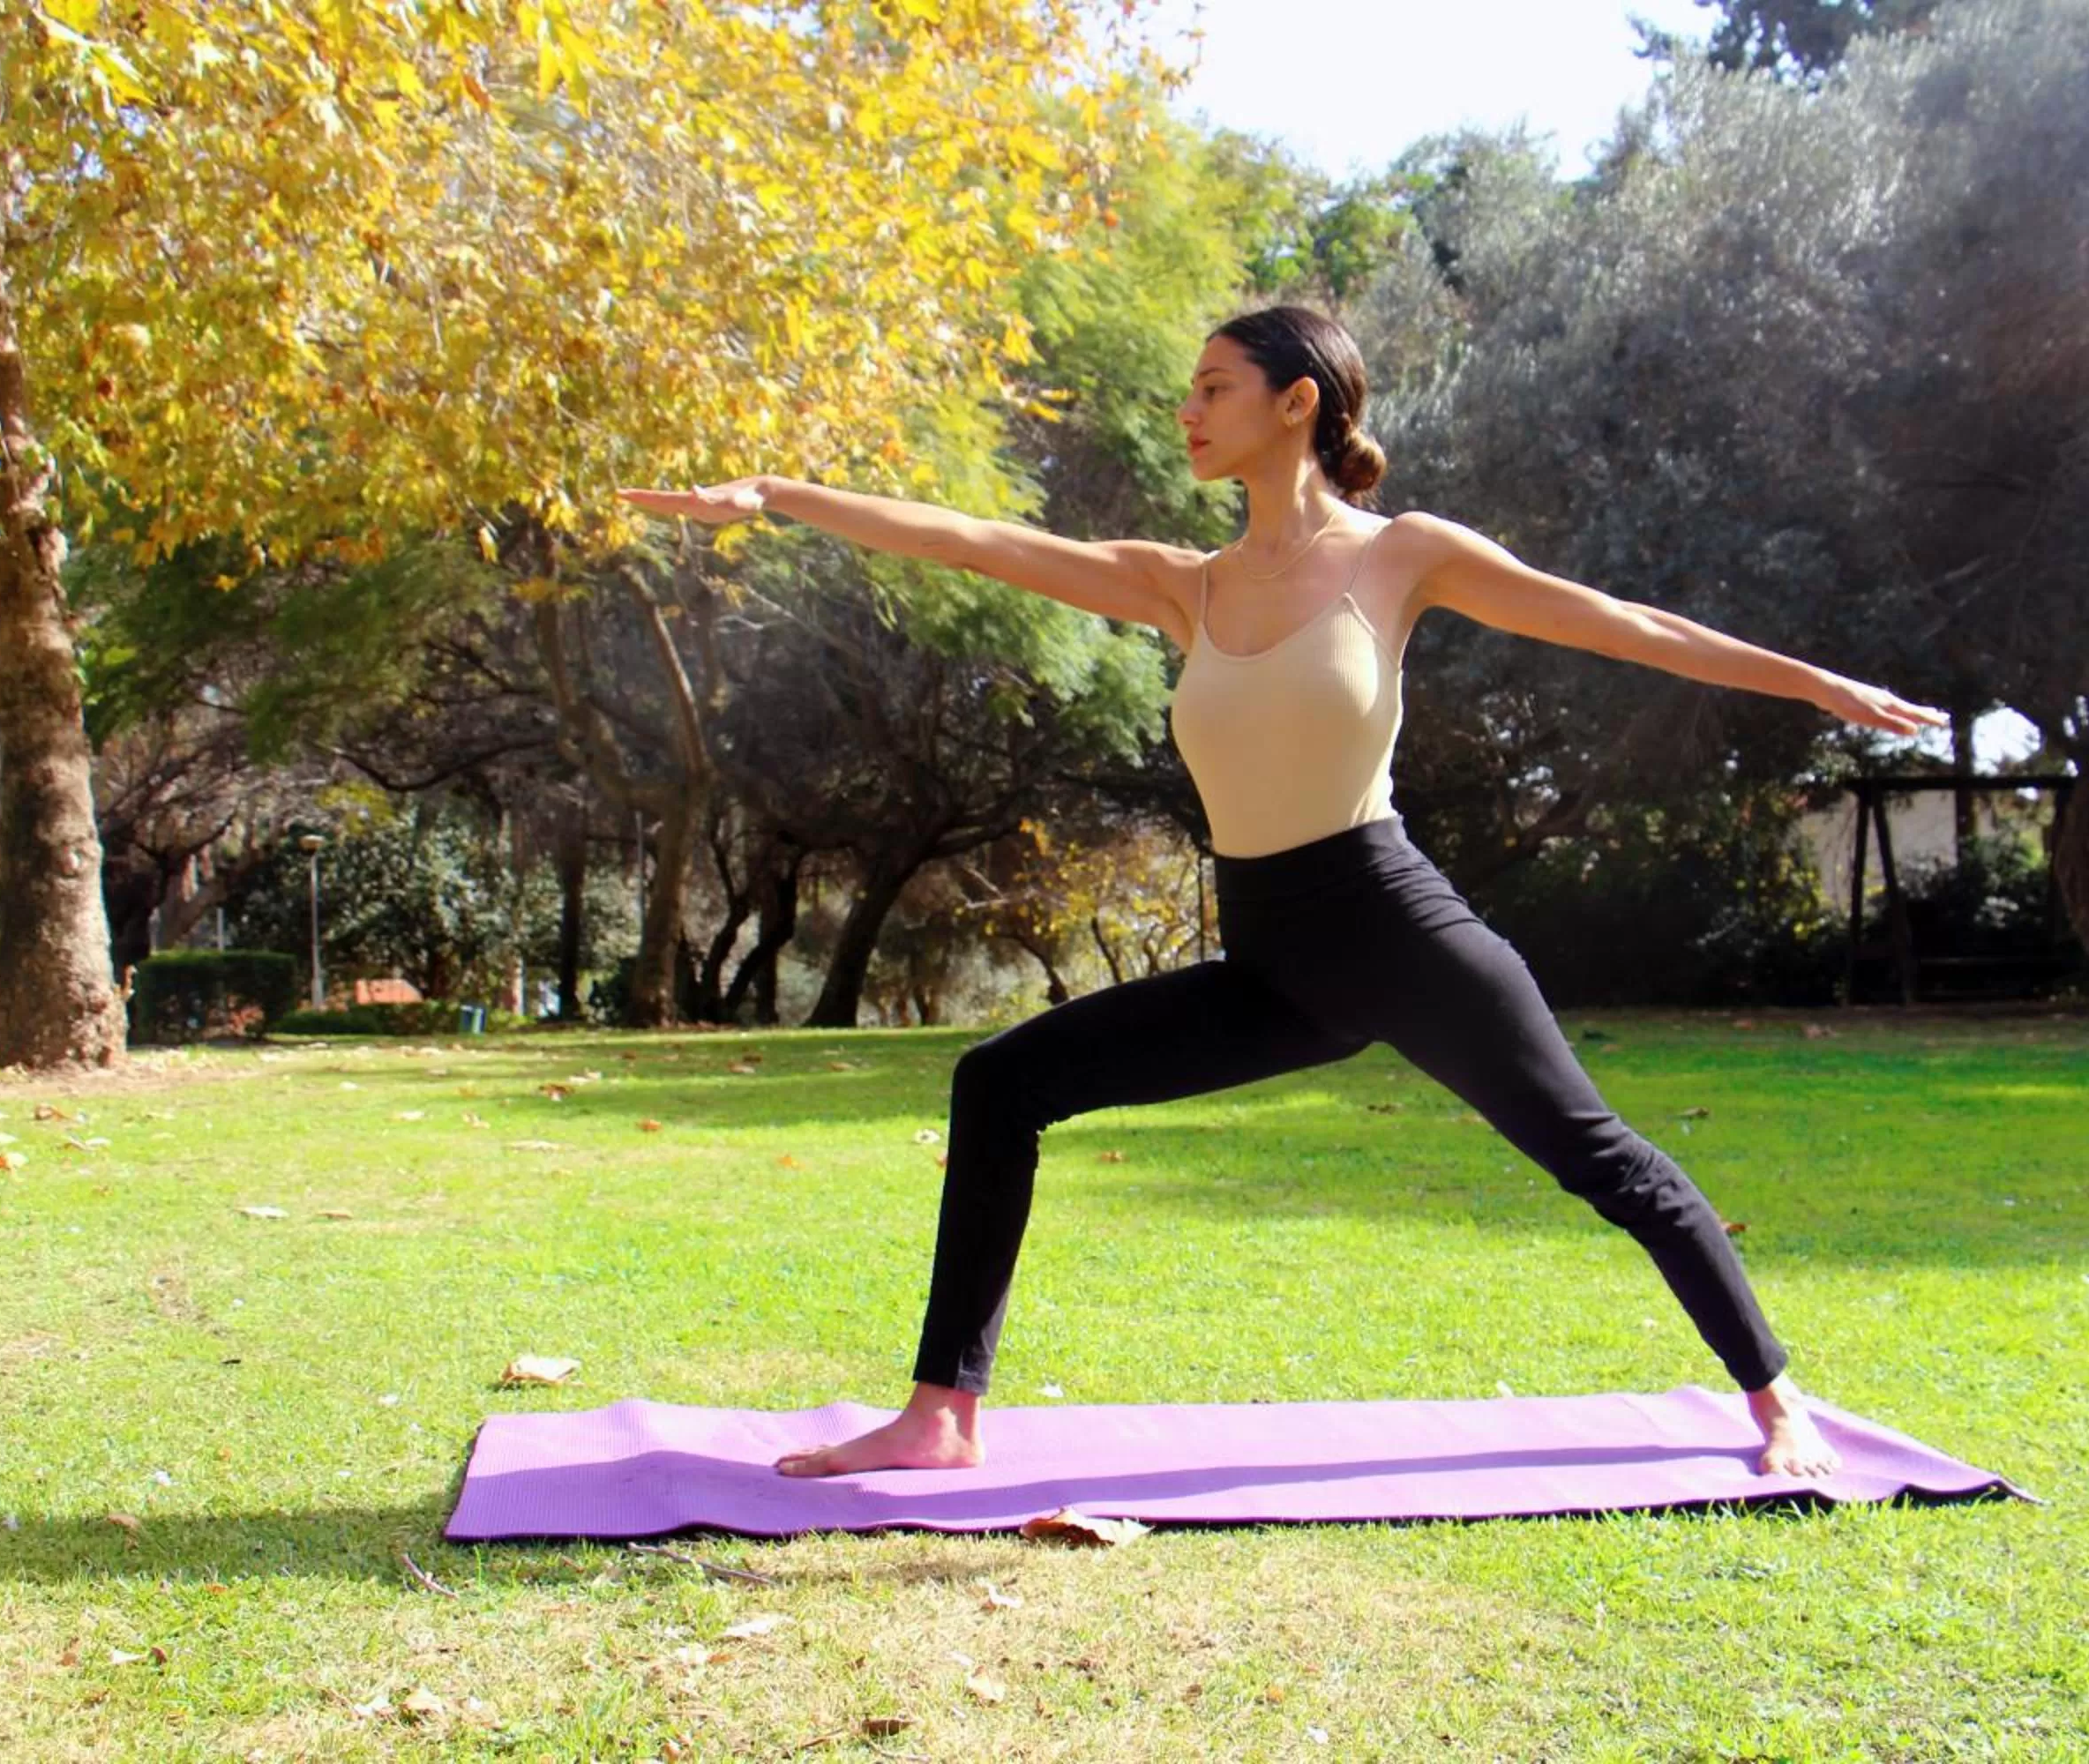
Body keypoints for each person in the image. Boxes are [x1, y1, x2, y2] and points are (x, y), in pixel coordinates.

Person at [618, 304, 1945, 1483]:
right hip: (1269, 958)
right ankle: (942, 1413)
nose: (1188, 411)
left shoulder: (1398, 556)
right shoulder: (1181, 588)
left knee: (1604, 1164)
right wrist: (780, 495)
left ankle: (1775, 1397)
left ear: (1295, 401)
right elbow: (974, 540)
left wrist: (1815, 686)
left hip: (1400, 932)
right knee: (1000, 1082)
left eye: (1213, 388)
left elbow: (1618, 622)